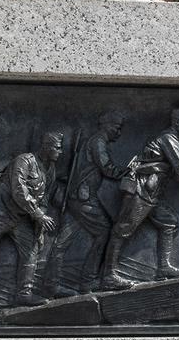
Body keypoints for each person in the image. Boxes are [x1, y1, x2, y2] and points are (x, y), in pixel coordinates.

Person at [101, 108, 179, 290]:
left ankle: (163, 267)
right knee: (122, 229)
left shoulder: (170, 139)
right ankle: (108, 275)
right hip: (141, 190)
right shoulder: (168, 138)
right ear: (177, 123)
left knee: (168, 222)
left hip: (152, 193)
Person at [0, 132, 62, 320]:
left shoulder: (50, 170)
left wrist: (38, 222)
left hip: (21, 217)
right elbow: (19, 190)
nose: (60, 151)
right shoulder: (24, 161)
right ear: (47, 147)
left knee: (31, 250)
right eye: (57, 147)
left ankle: (24, 294)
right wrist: (38, 214)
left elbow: (44, 197)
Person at [43, 112, 127, 298]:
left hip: (75, 197)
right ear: (106, 125)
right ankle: (88, 280)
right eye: (117, 127)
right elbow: (107, 169)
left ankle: (51, 284)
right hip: (83, 198)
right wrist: (128, 171)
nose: (119, 132)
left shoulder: (93, 141)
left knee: (62, 242)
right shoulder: (98, 142)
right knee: (104, 231)